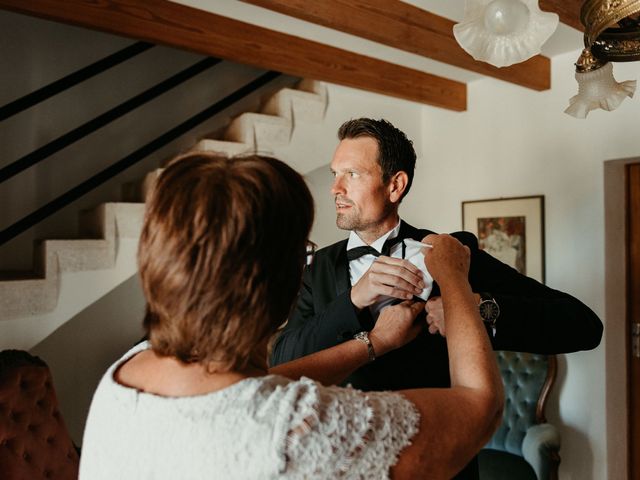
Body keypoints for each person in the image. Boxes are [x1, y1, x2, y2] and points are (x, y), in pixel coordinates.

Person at [79, 152, 503, 479]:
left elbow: (246, 389)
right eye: (303, 254)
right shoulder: (298, 426)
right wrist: (454, 278)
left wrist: (375, 343)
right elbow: (481, 406)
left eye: (351, 173)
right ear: (275, 280)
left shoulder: (126, 370)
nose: (337, 188)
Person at [270, 118, 604, 479]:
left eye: (351, 174)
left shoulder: (450, 253)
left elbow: (583, 327)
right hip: (340, 464)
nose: (335, 188)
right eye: (335, 173)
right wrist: (353, 300)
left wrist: (475, 309)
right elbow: (283, 360)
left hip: (443, 466)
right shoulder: (316, 266)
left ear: (395, 185)